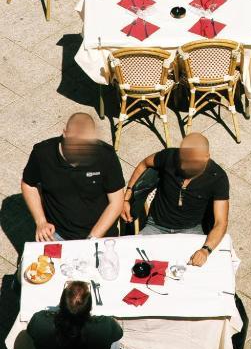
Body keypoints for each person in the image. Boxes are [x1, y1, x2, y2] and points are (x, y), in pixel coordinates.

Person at [122, 133, 229, 266]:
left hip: (191, 230)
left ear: (206, 157)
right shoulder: (169, 157)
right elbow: (144, 164)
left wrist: (206, 250)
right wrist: (127, 196)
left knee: (194, 272)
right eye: (182, 159)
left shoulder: (217, 178)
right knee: (132, 261)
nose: (183, 166)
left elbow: (221, 222)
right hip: (155, 225)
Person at [21, 112, 124, 241]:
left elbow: (117, 202)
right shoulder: (42, 154)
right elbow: (28, 184)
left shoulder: (106, 156)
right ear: (65, 133)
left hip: (100, 235)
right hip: (57, 234)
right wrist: (41, 222)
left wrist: (92, 239)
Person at [27, 280, 122, 349]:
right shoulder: (106, 325)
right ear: (90, 307)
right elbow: (119, 334)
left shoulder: (39, 321)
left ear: (61, 303)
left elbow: (30, 332)